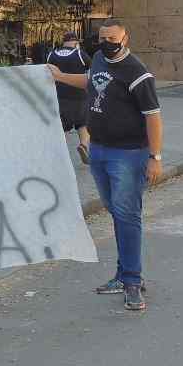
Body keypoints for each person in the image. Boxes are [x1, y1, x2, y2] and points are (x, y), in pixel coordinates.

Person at [49, 17, 162, 312]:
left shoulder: (138, 73)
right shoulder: (99, 58)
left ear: (125, 39)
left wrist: (155, 157)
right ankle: (123, 275)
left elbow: (153, 116)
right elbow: (90, 81)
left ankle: (133, 282)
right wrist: (60, 76)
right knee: (117, 212)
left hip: (128, 154)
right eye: (103, 38)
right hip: (99, 149)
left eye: (113, 39)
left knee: (127, 215)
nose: (107, 44)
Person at [45, 31, 91, 164]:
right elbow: (92, 70)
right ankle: (83, 145)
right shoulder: (80, 54)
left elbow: (46, 71)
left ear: (63, 42)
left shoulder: (52, 54)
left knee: (62, 127)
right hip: (80, 96)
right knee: (83, 124)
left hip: (59, 97)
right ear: (76, 42)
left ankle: (61, 153)